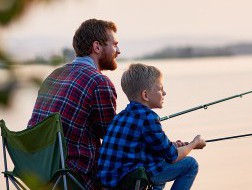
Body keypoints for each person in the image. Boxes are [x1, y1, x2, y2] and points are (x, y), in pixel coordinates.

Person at [27, 18, 120, 190]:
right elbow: (112, 139)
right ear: (97, 47)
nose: (118, 51)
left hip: (39, 174)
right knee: (145, 169)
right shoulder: (99, 82)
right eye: (114, 45)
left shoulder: (55, 74)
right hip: (74, 177)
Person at [97, 63, 206, 190]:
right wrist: (193, 143)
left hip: (110, 182)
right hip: (129, 182)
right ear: (145, 95)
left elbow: (146, 146)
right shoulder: (148, 117)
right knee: (190, 165)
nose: (164, 93)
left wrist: (172, 145)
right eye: (160, 89)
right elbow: (173, 156)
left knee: (158, 161)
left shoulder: (120, 116)